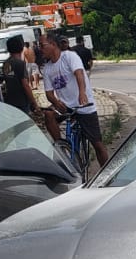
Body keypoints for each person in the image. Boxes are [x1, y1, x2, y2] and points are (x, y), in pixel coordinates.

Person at [40, 32, 110, 166]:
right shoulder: (48, 68)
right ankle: (62, 149)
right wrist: (56, 102)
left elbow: (79, 74)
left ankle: (107, 173)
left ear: (53, 45)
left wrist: (82, 93)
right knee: (49, 115)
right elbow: (49, 93)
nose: (40, 49)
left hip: (83, 105)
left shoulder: (70, 57)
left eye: (42, 46)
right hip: (65, 107)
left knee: (97, 143)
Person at [0, 34, 41, 118]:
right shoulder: (20, 64)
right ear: (21, 48)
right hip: (22, 101)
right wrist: (34, 103)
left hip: (10, 100)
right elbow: (25, 85)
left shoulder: (6, 63)